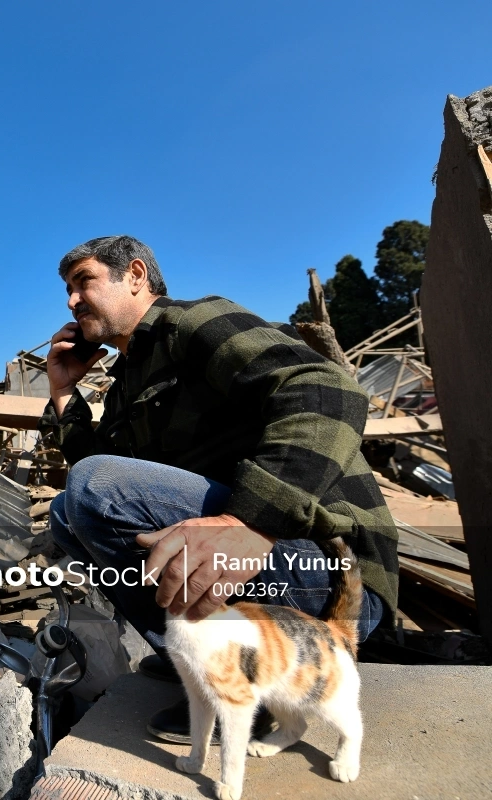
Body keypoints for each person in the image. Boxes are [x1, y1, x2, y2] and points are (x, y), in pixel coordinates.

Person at [38, 235, 397, 742]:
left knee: (95, 487)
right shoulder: (129, 381)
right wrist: (62, 391)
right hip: (264, 577)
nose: (72, 302)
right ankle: (205, 663)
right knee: (67, 512)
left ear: (136, 276)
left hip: (328, 571)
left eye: (84, 282)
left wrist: (249, 523)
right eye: (67, 291)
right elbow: (94, 484)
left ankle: (252, 680)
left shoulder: (192, 322)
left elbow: (326, 390)